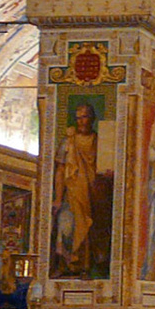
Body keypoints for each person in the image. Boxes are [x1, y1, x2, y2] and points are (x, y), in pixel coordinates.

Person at [53, 102, 100, 274]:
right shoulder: (68, 142)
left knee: (88, 228)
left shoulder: (98, 141)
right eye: (78, 118)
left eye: (85, 117)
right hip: (71, 192)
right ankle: (66, 263)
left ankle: (85, 265)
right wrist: (58, 198)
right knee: (66, 226)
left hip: (91, 192)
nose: (81, 122)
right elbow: (60, 170)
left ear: (92, 119)